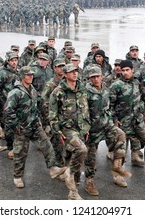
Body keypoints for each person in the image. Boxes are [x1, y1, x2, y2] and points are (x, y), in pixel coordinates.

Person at [4, 66, 67, 188]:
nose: (31, 76)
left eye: (32, 75)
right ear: (22, 76)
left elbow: (37, 104)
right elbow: (8, 111)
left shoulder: (32, 89)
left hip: (34, 125)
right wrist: (15, 125)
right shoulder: (16, 92)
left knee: (47, 144)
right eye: (28, 75)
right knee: (20, 153)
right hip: (21, 128)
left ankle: (53, 168)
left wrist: (39, 119)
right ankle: (17, 176)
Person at [84, 65, 131, 195]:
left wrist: (111, 120)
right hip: (92, 129)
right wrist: (85, 128)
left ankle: (117, 167)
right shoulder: (85, 92)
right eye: (92, 77)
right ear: (89, 78)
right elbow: (83, 112)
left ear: (101, 76)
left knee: (121, 135)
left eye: (97, 76)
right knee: (91, 158)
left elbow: (108, 107)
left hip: (106, 125)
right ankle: (89, 181)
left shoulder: (105, 89)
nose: (95, 79)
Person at [49, 64, 90, 200]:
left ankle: (73, 192)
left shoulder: (81, 89)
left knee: (74, 158)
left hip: (81, 129)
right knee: (82, 150)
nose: (75, 74)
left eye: (76, 71)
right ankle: (69, 173)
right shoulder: (58, 92)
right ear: (65, 74)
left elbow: (85, 109)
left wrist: (87, 127)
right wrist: (57, 131)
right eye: (71, 72)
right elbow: (52, 115)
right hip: (67, 129)